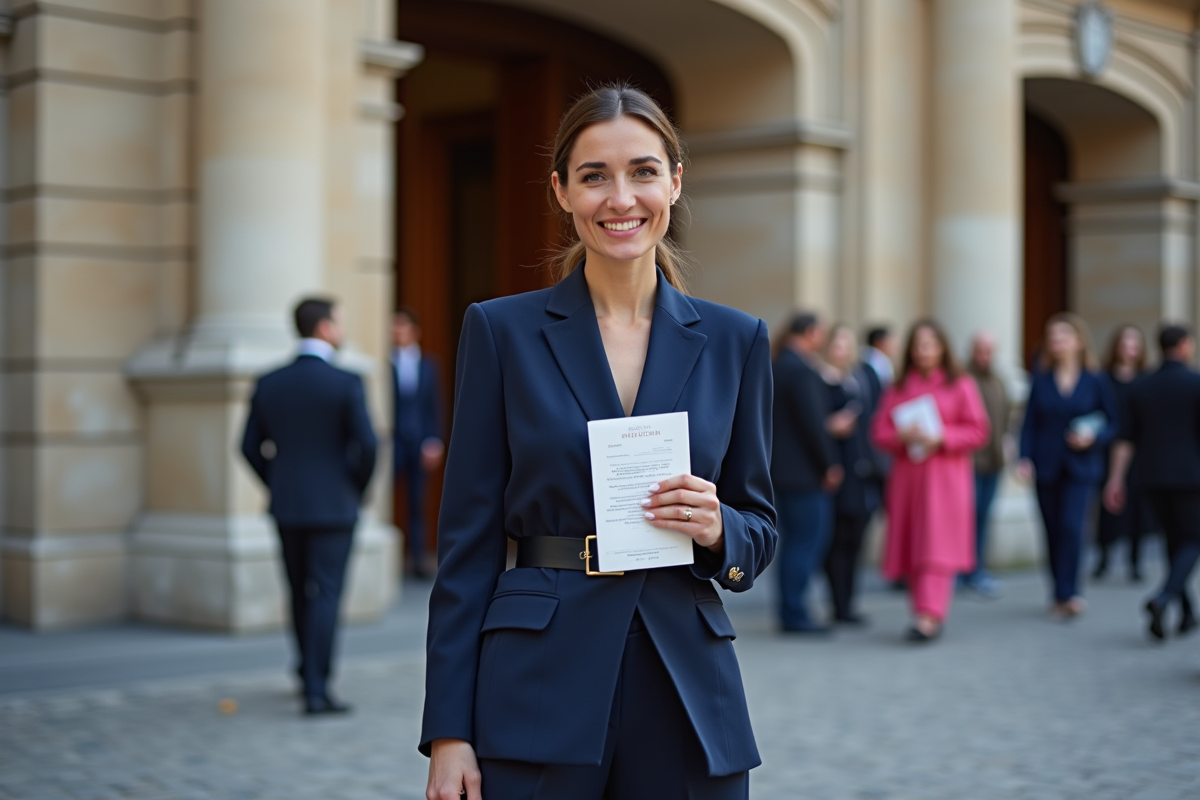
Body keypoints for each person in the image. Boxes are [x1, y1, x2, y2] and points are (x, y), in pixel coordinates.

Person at [421, 84, 776, 800]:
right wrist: (449, 731)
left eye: (643, 171)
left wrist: (718, 529)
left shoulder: (736, 340)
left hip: (684, 681)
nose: (621, 198)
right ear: (561, 191)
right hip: (537, 681)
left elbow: (758, 525)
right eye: (595, 176)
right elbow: (467, 545)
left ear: (675, 182)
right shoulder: (501, 332)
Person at [240, 298, 378, 715]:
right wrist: (354, 486)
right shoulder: (347, 381)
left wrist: (277, 482)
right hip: (336, 506)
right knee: (327, 595)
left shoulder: (269, 381)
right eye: (337, 322)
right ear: (323, 328)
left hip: (288, 504)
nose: (340, 329)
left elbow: (248, 447)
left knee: (299, 591)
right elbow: (369, 445)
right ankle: (318, 688)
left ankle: (305, 673)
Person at [870, 320, 989, 642]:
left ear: (942, 348)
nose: (923, 351)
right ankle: (922, 611)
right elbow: (878, 431)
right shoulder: (898, 387)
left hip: (945, 478)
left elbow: (979, 429)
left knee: (937, 546)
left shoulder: (960, 384)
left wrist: (942, 436)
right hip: (908, 478)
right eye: (918, 344)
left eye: (930, 344)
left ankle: (929, 615)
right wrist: (901, 435)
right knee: (913, 544)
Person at [1017, 313, 1117, 619]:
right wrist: (1024, 457)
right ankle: (1057, 592)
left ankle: (1070, 593)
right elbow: (1029, 423)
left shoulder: (1096, 380)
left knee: (1073, 527)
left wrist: (1094, 438)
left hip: (1081, 466)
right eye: (1053, 337)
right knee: (1051, 530)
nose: (1057, 342)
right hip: (1046, 465)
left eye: (1063, 335)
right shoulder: (1041, 379)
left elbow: (1113, 423)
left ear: (1078, 341)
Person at [1104, 324, 1200, 641]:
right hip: (1190, 477)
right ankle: (1163, 598)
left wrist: (1115, 479)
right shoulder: (1195, 383)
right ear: (1185, 346)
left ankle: (1185, 612)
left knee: (1174, 542)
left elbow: (1125, 439)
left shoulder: (1141, 387)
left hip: (1152, 477)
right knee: (1191, 541)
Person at [773, 312, 842, 634]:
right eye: (822, 333)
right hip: (804, 475)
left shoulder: (776, 364)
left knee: (793, 544)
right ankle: (795, 614)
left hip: (780, 472)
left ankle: (791, 610)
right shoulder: (801, 370)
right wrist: (829, 464)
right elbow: (814, 425)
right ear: (810, 333)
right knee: (805, 542)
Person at [821, 324, 881, 625]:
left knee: (856, 538)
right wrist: (830, 426)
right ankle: (838, 605)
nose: (843, 350)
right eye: (838, 344)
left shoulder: (860, 379)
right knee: (837, 541)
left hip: (861, 474)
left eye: (848, 344)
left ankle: (849, 602)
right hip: (835, 475)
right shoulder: (821, 381)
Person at [1094, 324, 1151, 582]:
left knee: (1137, 506)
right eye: (1125, 343)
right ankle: (1104, 556)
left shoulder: (1145, 380)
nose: (1129, 349)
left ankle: (1135, 560)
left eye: (1134, 344)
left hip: (1139, 452)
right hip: (1108, 448)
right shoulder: (1104, 379)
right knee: (1108, 505)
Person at [391, 308, 445, 579]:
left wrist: (435, 440)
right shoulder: (384, 363)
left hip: (420, 442)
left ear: (414, 332)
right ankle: (390, 561)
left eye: (402, 327)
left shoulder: (428, 364)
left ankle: (418, 560)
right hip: (393, 443)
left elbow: (434, 406)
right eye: (394, 327)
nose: (397, 332)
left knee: (417, 503)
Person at [961, 332, 1011, 599]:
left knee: (983, 517)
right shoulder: (962, 379)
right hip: (969, 463)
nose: (984, 356)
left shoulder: (999, 382)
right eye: (980, 351)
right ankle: (960, 570)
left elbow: (1005, 419)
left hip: (994, 461)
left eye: (989, 351)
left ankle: (976, 569)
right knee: (964, 517)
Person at [862, 325, 896, 390]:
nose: (893, 345)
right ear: (878, 342)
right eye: (889, 341)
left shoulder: (863, 355)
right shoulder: (882, 361)